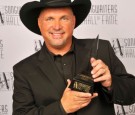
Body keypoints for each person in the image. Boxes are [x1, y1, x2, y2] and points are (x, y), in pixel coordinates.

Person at [12, 0, 135, 115]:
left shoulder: (102, 49)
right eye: (49, 19)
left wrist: (110, 82)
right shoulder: (23, 70)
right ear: (39, 23)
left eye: (64, 18)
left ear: (74, 21)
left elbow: (132, 93)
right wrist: (61, 107)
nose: (57, 26)